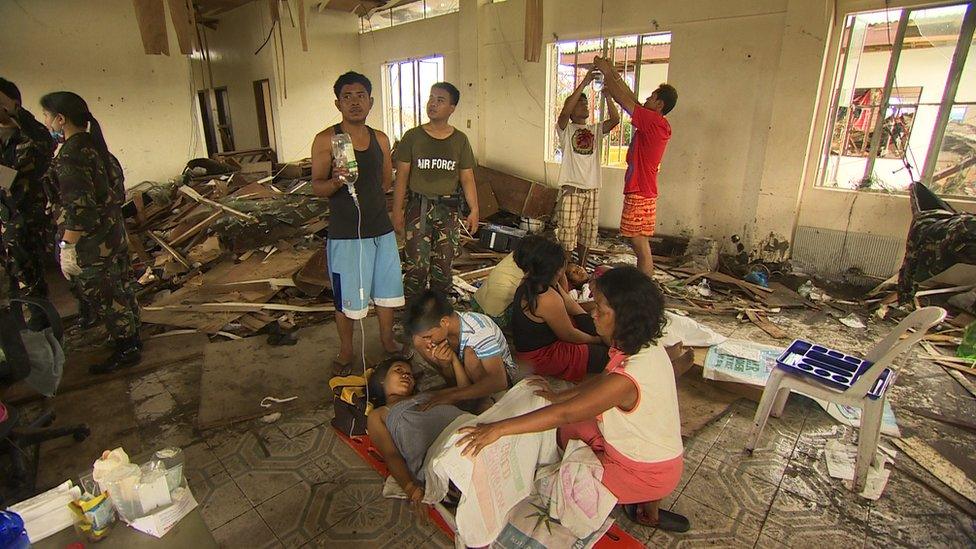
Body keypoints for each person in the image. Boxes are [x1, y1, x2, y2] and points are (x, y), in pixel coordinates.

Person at [456, 266, 690, 532]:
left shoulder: (626, 378)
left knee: (552, 491)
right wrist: (559, 395)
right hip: (663, 459)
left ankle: (642, 504)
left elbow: (566, 413)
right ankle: (646, 507)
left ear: (625, 318)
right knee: (569, 431)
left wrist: (497, 429)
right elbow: (597, 385)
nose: (593, 313)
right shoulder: (645, 347)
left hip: (646, 473)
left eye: (601, 309)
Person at [311, 71, 407, 373]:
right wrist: (336, 183)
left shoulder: (380, 139)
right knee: (346, 296)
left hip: (381, 231)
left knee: (386, 290)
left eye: (360, 96)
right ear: (337, 103)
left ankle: (388, 341)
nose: (355, 102)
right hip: (345, 235)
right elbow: (317, 185)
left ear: (371, 101)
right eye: (347, 97)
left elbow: (385, 182)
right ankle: (346, 349)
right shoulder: (326, 139)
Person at [40, 92, 141, 374]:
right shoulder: (98, 149)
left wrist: (67, 246)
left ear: (61, 119)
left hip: (94, 243)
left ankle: (127, 347)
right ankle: (132, 336)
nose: (45, 121)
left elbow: (80, 210)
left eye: (47, 116)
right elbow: (118, 193)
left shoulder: (71, 157)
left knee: (107, 295)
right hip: (113, 234)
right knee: (122, 287)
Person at [391, 82, 479, 302]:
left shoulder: (460, 140)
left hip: (447, 210)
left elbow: (467, 177)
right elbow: (401, 177)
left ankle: (439, 319)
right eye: (431, 98)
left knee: (443, 266)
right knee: (416, 267)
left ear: (452, 108)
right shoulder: (413, 137)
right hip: (418, 209)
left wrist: (475, 209)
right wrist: (397, 211)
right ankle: (413, 320)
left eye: (440, 100)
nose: (432, 103)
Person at [592, 56, 677, 278]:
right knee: (640, 243)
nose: (646, 99)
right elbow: (630, 98)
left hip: (640, 190)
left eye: (651, 97)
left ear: (659, 104)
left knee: (639, 244)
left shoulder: (654, 121)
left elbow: (625, 101)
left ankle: (643, 287)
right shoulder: (656, 122)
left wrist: (607, 73)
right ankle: (642, 285)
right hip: (644, 189)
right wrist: (612, 73)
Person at [365, 357, 468, 518]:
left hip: (469, 428)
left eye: (410, 374)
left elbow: (464, 389)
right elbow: (391, 455)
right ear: (382, 380)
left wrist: (454, 360)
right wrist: (411, 488)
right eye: (399, 370)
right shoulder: (379, 414)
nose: (406, 375)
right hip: (444, 454)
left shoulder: (427, 395)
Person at [511, 238, 609, 381]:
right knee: (605, 356)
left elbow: (569, 303)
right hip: (540, 357)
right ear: (555, 269)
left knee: (591, 325)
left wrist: (588, 322)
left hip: (545, 343)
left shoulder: (536, 280)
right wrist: (597, 339)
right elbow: (569, 335)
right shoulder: (546, 297)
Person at [406, 290, 515, 411]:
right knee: (418, 340)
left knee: (470, 355)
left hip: (498, 378)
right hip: (465, 372)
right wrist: (446, 366)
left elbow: (499, 381)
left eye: (429, 336)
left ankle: (485, 400)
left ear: (444, 322)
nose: (428, 342)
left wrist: (452, 396)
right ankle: (463, 392)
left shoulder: (479, 332)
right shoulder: (445, 327)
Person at [0, 79, 56, 310]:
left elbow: (9, 177)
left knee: (30, 281)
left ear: (14, 103)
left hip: (25, 218)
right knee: (7, 285)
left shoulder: (32, 134)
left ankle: (41, 326)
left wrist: (18, 116)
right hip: (4, 217)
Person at [555, 68, 619, 265]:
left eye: (585, 102)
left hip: (592, 189)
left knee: (587, 233)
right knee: (567, 236)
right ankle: (565, 272)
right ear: (572, 108)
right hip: (572, 190)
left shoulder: (595, 129)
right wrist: (584, 83)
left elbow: (615, 120)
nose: (584, 105)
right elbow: (564, 112)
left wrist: (608, 96)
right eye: (579, 103)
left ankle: (580, 269)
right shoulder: (565, 129)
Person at [471, 234, 547, 328]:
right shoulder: (532, 270)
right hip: (492, 318)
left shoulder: (517, 254)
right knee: (540, 305)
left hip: (476, 302)